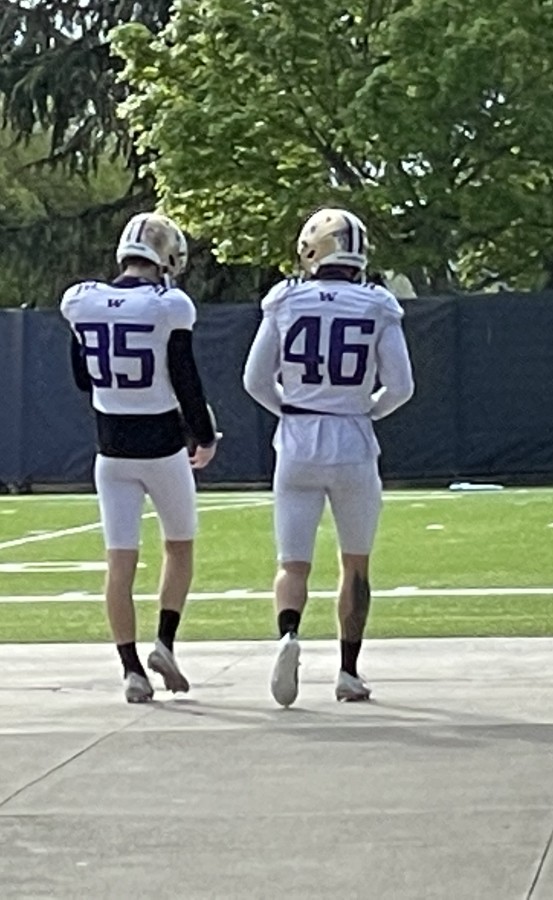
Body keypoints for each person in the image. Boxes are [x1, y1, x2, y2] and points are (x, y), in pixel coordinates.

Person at [243, 207, 414, 707]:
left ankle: (289, 635)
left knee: (292, 563)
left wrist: (293, 408)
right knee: (355, 563)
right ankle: (348, 670)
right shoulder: (376, 304)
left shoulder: (286, 300)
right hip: (353, 440)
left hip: (296, 440)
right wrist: (364, 412)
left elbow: (254, 380)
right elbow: (401, 387)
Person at [61, 212, 217, 703]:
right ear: (166, 256)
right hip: (163, 447)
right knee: (179, 547)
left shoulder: (83, 301)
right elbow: (185, 379)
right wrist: (205, 435)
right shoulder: (168, 305)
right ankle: (164, 643)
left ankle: (131, 670)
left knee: (120, 563)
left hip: (111, 449)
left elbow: (84, 379)